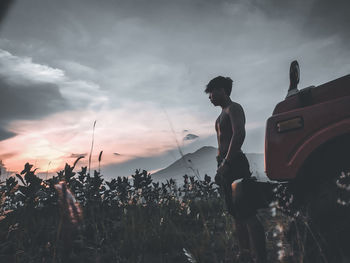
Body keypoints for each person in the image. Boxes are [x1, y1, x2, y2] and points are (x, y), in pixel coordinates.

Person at [205, 76, 267, 263]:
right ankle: (245, 254)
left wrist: (227, 163)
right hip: (225, 164)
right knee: (235, 213)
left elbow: (239, 133)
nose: (209, 97)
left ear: (223, 90)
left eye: (212, 92)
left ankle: (261, 259)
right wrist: (220, 164)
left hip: (235, 163)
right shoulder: (219, 116)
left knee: (246, 211)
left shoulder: (234, 108)